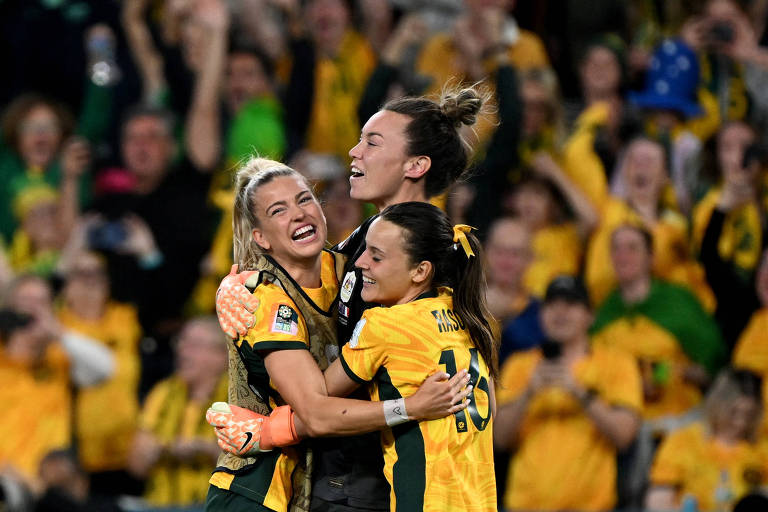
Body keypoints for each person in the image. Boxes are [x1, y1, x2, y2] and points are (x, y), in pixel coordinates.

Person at [215, 85, 487, 511]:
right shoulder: (366, 245)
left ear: (415, 165)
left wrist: (277, 428)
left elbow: (327, 397)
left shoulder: (426, 262)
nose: (353, 151)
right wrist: (237, 285)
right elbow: (295, 282)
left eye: (372, 142)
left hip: (386, 478)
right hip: (346, 474)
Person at [494, 275, 642, 511]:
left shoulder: (617, 363)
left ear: (590, 315)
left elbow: (624, 435)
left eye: (571, 304)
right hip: (524, 505)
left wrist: (580, 393)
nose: (560, 313)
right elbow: (499, 440)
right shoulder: (520, 365)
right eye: (551, 305)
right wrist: (528, 394)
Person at [591, 224, 726, 421]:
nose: (622, 256)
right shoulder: (604, 312)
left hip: (678, 416)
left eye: (632, 248)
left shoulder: (678, 301)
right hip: (621, 418)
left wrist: (664, 373)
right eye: (616, 249)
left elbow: (712, 367)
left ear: (651, 257)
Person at [127, 316, 228, 507]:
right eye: (182, 341)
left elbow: (251, 469)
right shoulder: (163, 392)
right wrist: (158, 450)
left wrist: (205, 450)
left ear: (221, 355)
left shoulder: (236, 397)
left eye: (195, 345)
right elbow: (136, 466)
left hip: (213, 505)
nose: (182, 350)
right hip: (160, 505)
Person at [645, 368, 768, 512]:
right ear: (719, 406)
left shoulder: (762, 449)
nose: (740, 423)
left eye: (748, 415)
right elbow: (658, 502)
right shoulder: (684, 441)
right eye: (734, 413)